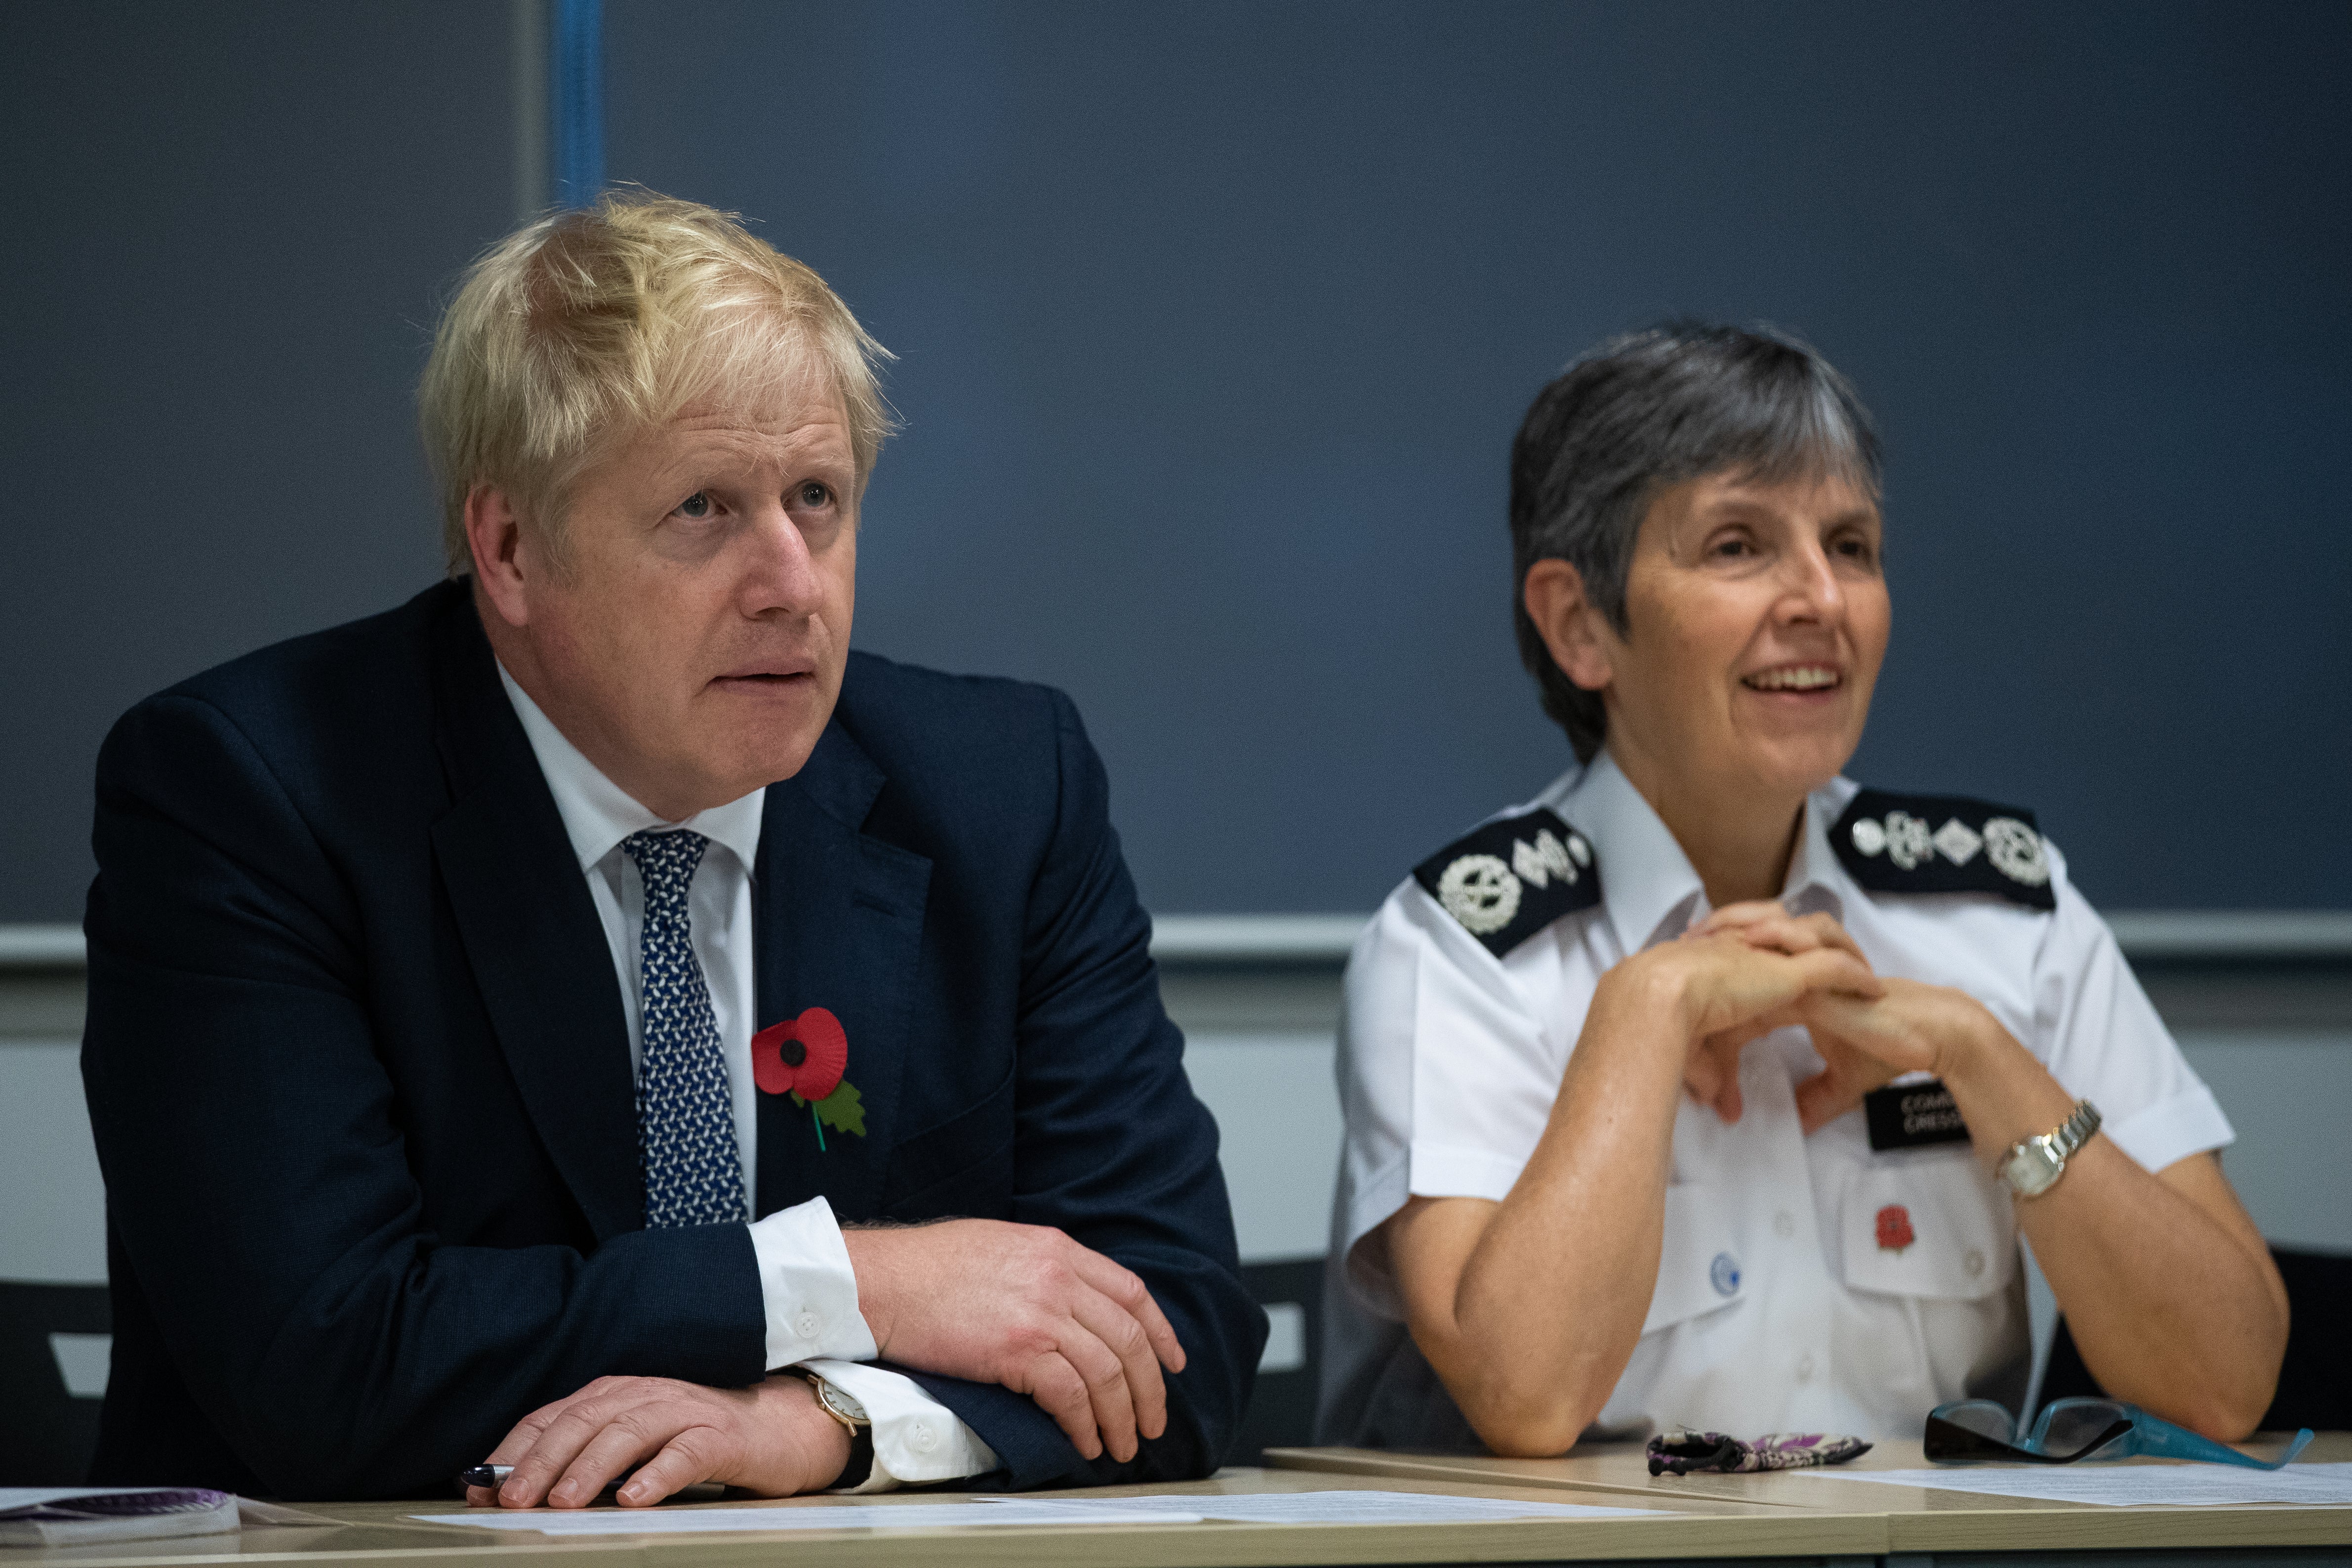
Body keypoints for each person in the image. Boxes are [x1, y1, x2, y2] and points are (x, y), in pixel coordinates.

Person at [81, 192, 1263, 1503]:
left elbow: (1177, 1337)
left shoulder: (999, 792)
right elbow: (323, 1356)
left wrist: (830, 1423)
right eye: (704, 508)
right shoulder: (255, 795)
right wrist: (851, 1284)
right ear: (512, 549)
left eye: (817, 498)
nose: (792, 583)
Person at [1318, 322, 2288, 1455]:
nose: (1820, 599)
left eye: (1851, 545)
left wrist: (1981, 1059)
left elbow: (2225, 1383)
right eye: (1737, 546)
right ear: (1580, 624)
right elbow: (1527, 1397)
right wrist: (1647, 1010)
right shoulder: (1461, 946)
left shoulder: (1997, 912)